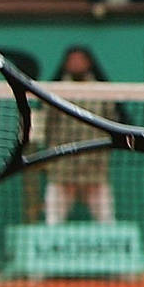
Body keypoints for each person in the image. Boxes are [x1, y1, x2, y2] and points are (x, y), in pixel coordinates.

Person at [36, 47, 118, 224]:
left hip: (95, 166)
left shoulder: (103, 91)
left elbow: (113, 124)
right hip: (62, 166)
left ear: (89, 63)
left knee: (106, 219)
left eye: (80, 60)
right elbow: (45, 125)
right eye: (72, 60)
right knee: (53, 219)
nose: (76, 64)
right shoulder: (54, 92)